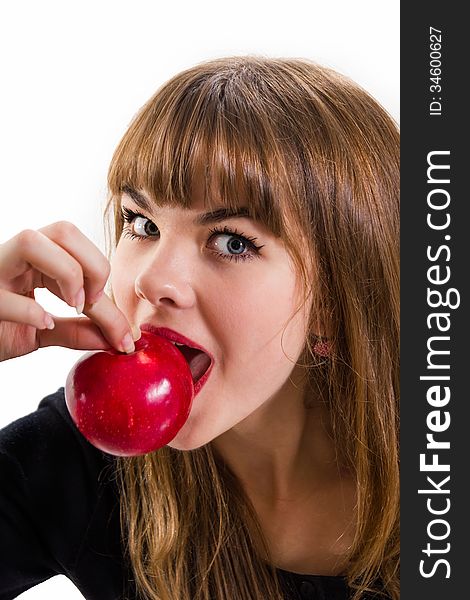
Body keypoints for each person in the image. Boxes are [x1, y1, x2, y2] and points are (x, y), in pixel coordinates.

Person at [0, 56, 399, 600]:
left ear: (334, 298)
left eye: (233, 242)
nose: (151, 279)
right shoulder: (85, 459)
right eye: (141, 224)